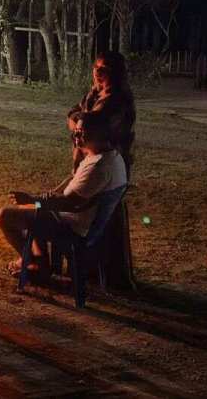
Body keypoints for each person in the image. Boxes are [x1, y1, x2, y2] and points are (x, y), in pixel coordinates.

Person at [0, 111, 128, 280]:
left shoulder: (99, 166)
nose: (75, 136)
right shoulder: (110, 156)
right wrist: (42, 199)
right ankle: (39, 261)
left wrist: (35, 200)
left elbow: (69, 203)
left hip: (73, 226)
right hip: (81, 221)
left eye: (81, 132)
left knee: (5, 216)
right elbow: (74, 182)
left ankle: (34, 261)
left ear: (99, 133)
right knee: (30, 208)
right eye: (75, 132)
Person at [66, 51, 137, 288]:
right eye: (96, 67)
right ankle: (88, 269)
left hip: (108, 166)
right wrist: (81, 121)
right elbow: (74, 116)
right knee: (88, 214)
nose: (98, 72)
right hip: (89, 161)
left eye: (104, 68)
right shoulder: (94, 93)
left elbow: (95, 125)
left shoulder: (118, 101)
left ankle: (105, 272)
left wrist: (83, 121)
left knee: (101, 218)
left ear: (115, 73)